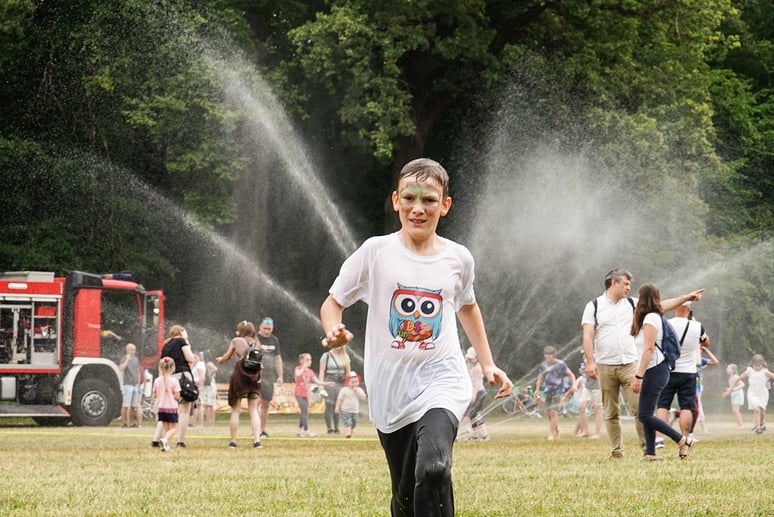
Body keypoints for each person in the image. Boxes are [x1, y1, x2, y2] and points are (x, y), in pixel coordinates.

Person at [320, 158, 513, 516]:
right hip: (390, 393)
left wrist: (488, 363)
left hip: (443, 381)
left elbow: (467, 307)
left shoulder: (459, 258)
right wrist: (333, 329)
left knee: (434, 468)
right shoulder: (375, 252)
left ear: (445, 205)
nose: (418, 209)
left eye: (429, 200)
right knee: (406, 495)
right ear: (396, 200)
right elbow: (333, 303)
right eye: (409, 198)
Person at [581, 267, 704, 458]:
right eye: (626, 284)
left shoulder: (632, 304)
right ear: (614, 282)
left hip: (631, 363)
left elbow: (661, 305)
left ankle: (648, 449)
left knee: (640, 409)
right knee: (610, 411)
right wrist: (590, 361)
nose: (629, 287)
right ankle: (617, 451)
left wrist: (685, 297)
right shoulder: (594, 306)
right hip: (605, 364)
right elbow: (588, 335)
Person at [630, 284, 696, 461]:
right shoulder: (653, 314)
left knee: (644, 415)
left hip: (655, 369)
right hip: (655, 370)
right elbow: (668, 303)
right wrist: (686, 297)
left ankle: (682, 440)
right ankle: (651, 453)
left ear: (642, 299)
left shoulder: (651, 319)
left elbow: (649, 349)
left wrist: (638, 376)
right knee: (647, 414)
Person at [654, 301, 709, 447]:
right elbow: (706, 342)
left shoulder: (665, 323)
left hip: (668, 370)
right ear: (689, 310)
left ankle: (659, 439)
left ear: (674, 309)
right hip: (688, 372)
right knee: (686, 407)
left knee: (662, 405)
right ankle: (684, 438)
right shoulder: (697, 326)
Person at [216, 320, 263, 448]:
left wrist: (220, 360)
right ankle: (257, 440)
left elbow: (226, 357)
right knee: (253, 409)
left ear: (240, 331)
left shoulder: (236, 341)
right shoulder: (256, 343)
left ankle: (233, 441)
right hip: (254, 377)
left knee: (236, 410)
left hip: (240, 377)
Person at [151, 325, 196, 448]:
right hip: (182, 377)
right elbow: (190, 358)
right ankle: (180, 441)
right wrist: (188, 345)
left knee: (165, 409)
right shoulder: (181, 341)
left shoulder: (166, 344)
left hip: (168, 377)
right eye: (185, 332)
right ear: (181, 332)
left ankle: (156, 439)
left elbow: (163, 363)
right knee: (184, 410)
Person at [534, 346, 576, 441]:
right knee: (549, 414)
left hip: (558, 390)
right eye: (546, 355)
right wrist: (537, 389)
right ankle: (557, 430)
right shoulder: (543, 365)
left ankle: (551, 434)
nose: (548, 357)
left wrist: (573, 385)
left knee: (554, 412)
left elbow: (571, 374)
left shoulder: (561, 364)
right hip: (547, 390)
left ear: (554, 355)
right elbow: (540, 377)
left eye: (550, 355)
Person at [256, 317, 283, 438]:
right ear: (259, 327)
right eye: (265, 329)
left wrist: (280, 375)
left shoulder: (274, 340)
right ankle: (255, 428)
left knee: (266, 403)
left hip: (269, 375)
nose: (267, 331)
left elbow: (277, 358)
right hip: (255, 375)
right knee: (255, 402)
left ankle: (262, 430)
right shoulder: (255, 338)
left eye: (269, 329)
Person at [734, 354, 774, 434]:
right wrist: (732, 387)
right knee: (756, 410)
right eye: (755, 365)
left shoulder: (764, 371)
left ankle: (762, 425)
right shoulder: (750, 371)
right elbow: (739, 377)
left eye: (759, 365)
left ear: (762, 364)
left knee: (762, 410)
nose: (757, 367)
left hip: (763, 393)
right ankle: (758, 428)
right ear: (752, 364)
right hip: (753, 393)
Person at [459, 346, 490, 442]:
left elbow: (477, 383)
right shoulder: (473, 366)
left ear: (477, 357)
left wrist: (474, 395)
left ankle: (470, 431)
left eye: (472, 358)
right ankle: (478, 435)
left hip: (479, 393)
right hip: (477, 392)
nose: (470, 360)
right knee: (475, 414)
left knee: (470, 413)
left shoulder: (477, 368)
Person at [319, 344, 351, 434]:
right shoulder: (326, 356)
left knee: (338, 404)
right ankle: (329, 428)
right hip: (330, 380)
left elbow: (348, 371)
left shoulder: (345, 356)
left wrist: (348, 384)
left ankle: (337, 428)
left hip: (341, 380)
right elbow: (321, 371)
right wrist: (321, 385)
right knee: (329, 405)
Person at [152, 356, 181, 452]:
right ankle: (164, 440)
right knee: (173, 428)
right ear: (172, 368)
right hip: (171, 407)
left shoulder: (157, 380)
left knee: (165, 427)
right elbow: (177, 396)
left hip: (161, 408)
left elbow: (155, 395)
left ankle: (164, 445)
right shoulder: (174, 381)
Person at [294, 352, 323, 437]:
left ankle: (299, 430)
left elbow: (317, 381)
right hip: (298, 393)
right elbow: (298, 374)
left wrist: (326, 383)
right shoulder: (298, 368)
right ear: (301, 361)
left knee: (305, 412)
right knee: (305, 412)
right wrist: (304, 367)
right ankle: (306, 430)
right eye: (307, 360)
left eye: (310, 360)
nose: (309, 361)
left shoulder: (310, 371)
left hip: (305, 394)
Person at [574, 361, 603, 439]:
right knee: (581, 406)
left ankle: (597, 433)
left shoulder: (598, 357)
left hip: (598, 387)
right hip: (587, 386)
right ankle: (585, 431)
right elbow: (583, 371)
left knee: (598, 409)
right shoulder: (585, 359)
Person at [335, 370, 367, 438]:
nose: (354, 384)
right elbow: (339, 399)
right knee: (347, 423)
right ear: (348, 382)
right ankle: (348, 435)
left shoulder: (359, 390)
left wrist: (357, 392)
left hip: (355, 410)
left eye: (356, 382)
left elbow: (363, 397)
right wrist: (337, 407)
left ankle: (352, 435)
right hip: (345, 410)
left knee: (354, 424)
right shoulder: (344, 390)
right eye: (352, 382)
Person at [118, 342, 142, 428]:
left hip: (135, 385)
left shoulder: (136, 359)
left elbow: (138, 370)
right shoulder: (123, 358)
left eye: (134, 350)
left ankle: (131, 423)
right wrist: (127, 360)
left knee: (132, 406)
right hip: (127, 385)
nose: (134, 351)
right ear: (128, 350)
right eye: (132, 350)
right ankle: (124, 422)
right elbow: (121, 369)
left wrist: (138, 381)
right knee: (125, 405)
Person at [721, 363, 745, 428]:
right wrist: (728, 390)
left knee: (736, 410)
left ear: (733, 370)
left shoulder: (735, 377)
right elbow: (732, 388)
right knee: (734, 410)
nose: (727, 369)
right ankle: (739, 424)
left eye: (728, 368)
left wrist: (732, 389)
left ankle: (740, 425)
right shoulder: (731, 378)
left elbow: (742, 384)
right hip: (734, 395)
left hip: (738, 395)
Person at [200, 357, 218, 427]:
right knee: (206, 405)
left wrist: (210, 375)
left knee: (211, 405)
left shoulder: (208, 363)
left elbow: (215, 369)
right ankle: (208, 422)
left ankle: (211, 423)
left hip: (210, 385)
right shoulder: (203, 364)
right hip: (206, 385)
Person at [191, 351, 207, 427]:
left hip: (198, 386)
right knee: (196, 405)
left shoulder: (200, 365)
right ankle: (194, 423)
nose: (193, 358)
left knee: (199, 405)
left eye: (195, 357)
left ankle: (200, 423)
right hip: (194, 385)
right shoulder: (196, 365)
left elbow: (202, 376)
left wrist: (198, 385)